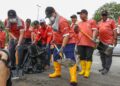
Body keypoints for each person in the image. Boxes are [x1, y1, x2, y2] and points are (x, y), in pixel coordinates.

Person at [45, 7, 77, 86]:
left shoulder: (62, 21)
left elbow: (66, 36)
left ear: (54, 13)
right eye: (48, 17)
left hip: (69, 41)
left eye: (50, 16)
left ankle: (73, 78)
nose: (49, 18)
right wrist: (53, 40)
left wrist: (62, 48)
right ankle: (57, 72)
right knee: (56, 57)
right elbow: (56, 33)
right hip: (58, 42)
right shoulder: (53, 22)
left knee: (70, 59)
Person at [77, 9, 98, 78]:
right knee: (81, 57)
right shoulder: (79, 23)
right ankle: (83, 70)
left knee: (88, 57)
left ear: (86, 14)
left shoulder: (92, 21)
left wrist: (94, 38)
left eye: (81, 14)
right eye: (79, 14)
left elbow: (95, 30)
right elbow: (76, 33)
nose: (80, 15)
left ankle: (87, 71)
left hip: (89, 43)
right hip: (80, 43)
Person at [4, 10, 25, 77]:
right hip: (12, 38)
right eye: (10, 18)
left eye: (13, 17)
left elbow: (22, 34)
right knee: (11, 51)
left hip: (20, 38)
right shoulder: (6, 21)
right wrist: (13, 37)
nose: (12, 19)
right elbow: (8, 31)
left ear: (15, 16)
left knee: (19, 51)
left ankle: (20, 67)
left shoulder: (21, 21)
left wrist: (18, 44)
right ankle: (13, 66)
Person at [97, 10, 117, 75]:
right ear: (101, 16)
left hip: (109, 42)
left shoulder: (111, 21)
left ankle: (106, 69)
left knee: (108, 56)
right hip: (101, 42)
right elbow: (97, 31)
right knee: (102, 55)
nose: (104, 16)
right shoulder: (99, 22)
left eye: (105, 15)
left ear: (107, 15)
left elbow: (114, 31)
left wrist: (115, 40)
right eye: (103, 15)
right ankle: (103, 67)